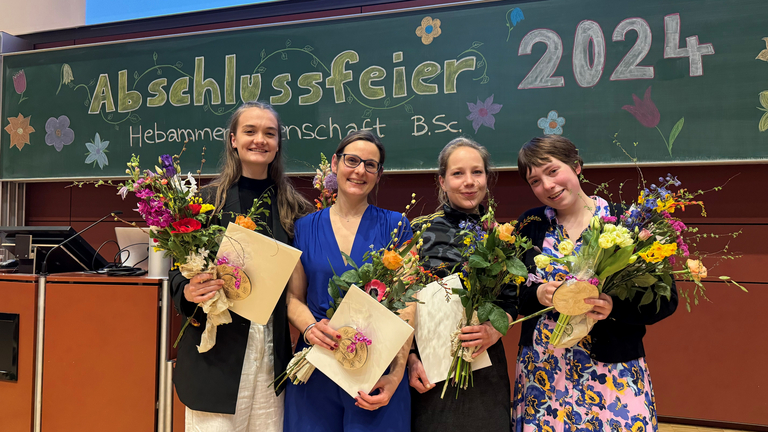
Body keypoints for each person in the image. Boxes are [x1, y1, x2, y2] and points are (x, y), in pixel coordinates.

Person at [512, 135, 678, 431]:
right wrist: (538, 292)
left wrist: (613, 306)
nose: (547, 186)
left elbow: (665, 300)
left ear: (577, 166)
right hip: (544, 371)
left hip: (611, 370)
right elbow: (512, 292)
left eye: (552, 171)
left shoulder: (628, 222)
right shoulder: (530, 224)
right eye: (535, 181)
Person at [169, 101, 313, 431]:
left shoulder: (294, 208)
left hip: (270, 357)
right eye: (250, 131)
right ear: (233, 139)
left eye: (269, 133)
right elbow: (176, 274)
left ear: (278, 144)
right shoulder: (205, 203)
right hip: (216, 361)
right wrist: (189, 291)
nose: (259, 139)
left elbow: (299, 285)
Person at [284, 130, 414, 432]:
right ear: (335, 163)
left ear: (379, 174)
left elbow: (409, 304)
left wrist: (396, 374)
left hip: (374, 373)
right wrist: (311, 327)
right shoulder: (303, 228)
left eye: (370, 165)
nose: (359, 171)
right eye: (352, 161)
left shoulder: (397, 226)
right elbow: (293, 298)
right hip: (316, 368)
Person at [407, 137, 517, 432]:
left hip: (485, 364)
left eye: (477, 172)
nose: (469, 182)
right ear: (442, 181)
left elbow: (510, 303)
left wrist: (493, 332)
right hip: (429, 371)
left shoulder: (501, 237)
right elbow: (399, 302)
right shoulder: (419, 231)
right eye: (458, 174)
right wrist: (410, 358)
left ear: (486, 178)